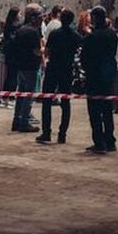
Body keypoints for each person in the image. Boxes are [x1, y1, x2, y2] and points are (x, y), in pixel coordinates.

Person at [37, 8, 81, 145]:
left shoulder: (55, 34)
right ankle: (62, 134)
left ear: (61, 19)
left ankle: (46, 132)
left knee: (47, 100)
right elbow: (79, 50)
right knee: (66, 102)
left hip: (53, 68)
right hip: (66, 69)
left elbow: (47, 51)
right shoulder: (75, 35)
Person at [81, 6, 118, 154]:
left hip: (94, 76)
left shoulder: (91, 37)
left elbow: (85, 58)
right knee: (107, 110)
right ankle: (110, 141)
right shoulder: (112, 35)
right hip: (109, 75)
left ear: (95, 18)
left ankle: (99, 142)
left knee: (95, 111)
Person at [10, 4, 43, 133]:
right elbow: (36, 51)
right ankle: (24, 122)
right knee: (28, 96)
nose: (41, 21)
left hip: (21, 66)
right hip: (30, 67)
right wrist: (44, 51)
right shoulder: (33, 32)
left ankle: (16, 121)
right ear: (33, 18)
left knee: (20, 94)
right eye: (39, 18)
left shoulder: (21, 29)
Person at [0, 5, 20, 109]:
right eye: (19, 13)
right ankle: (11, 99)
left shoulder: (7, 25)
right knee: (13, 77)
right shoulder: (16, 26)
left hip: (8, 54)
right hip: (14, 54)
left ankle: (4, 99)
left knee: (8, 76)